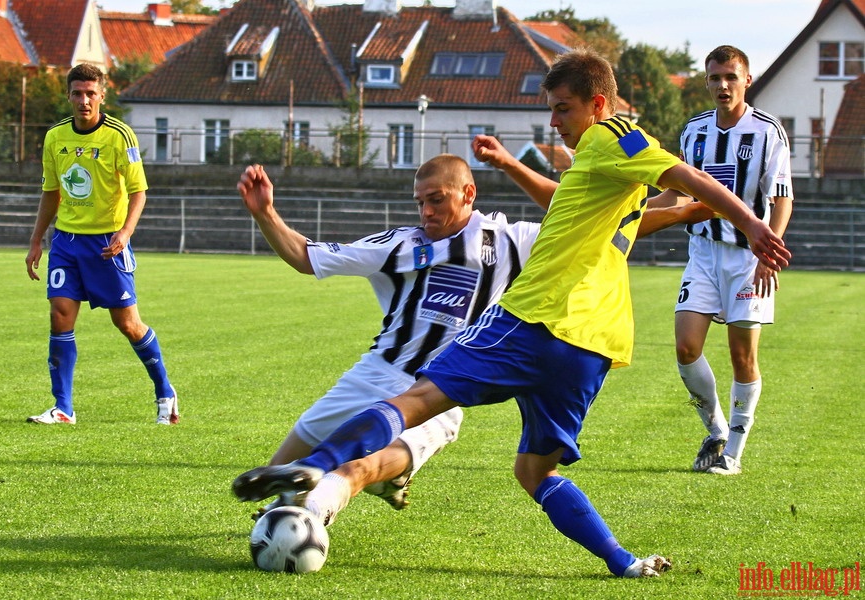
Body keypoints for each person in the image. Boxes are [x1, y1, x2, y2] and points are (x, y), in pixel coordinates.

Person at [231, 48, 790, 578]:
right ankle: (624, 561)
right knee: (534, 472)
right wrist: (692, 211)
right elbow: (605, 214)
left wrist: (754, 226)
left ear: (598, 104)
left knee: (419, 398)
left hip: (538, 314)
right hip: (594, 346)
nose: (554, 123)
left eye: (562, 108)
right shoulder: (605, 171)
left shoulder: (614, 134)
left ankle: (319, 470)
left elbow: (688, 176)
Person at [237, 155, 709, 528]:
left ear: (468, 193)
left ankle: (344, 495)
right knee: (279, 474)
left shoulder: (512, 239)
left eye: (436, 200)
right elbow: (306, 256)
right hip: (379, 371)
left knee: (378, 458)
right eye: (419, 202)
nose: (426, 212)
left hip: (449, 382)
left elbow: (603, 231)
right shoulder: (400, 243)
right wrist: (266, 213)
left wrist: (683, 210)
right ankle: (304, 505)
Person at [24, 63, 178, 425]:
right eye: (77, 93)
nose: (84, 100)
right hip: (66, 242)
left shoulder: (120, 136)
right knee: (60, 316)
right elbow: (51, 192)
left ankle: (165, 392)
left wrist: (124, 234)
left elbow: (139, 192)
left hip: (108, 244)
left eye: (90, 93)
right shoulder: (55, 137)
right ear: (68, 95)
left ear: (102, 96)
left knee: (127, 324)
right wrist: (36, 241)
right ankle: (63, 408)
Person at [670, 46, 793, 476]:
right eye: (714, 78)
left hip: (746, 257)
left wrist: (767, 251)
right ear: (706, 82)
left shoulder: (767, 131)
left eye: (730, 77)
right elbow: (679, 190)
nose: (723, 85)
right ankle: (716, 428)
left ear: (747, 80)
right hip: (702, 253)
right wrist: (637, 210)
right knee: (686, 347)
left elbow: (781, 197)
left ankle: (734, 453)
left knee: (743, 356)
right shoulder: (693, 131)